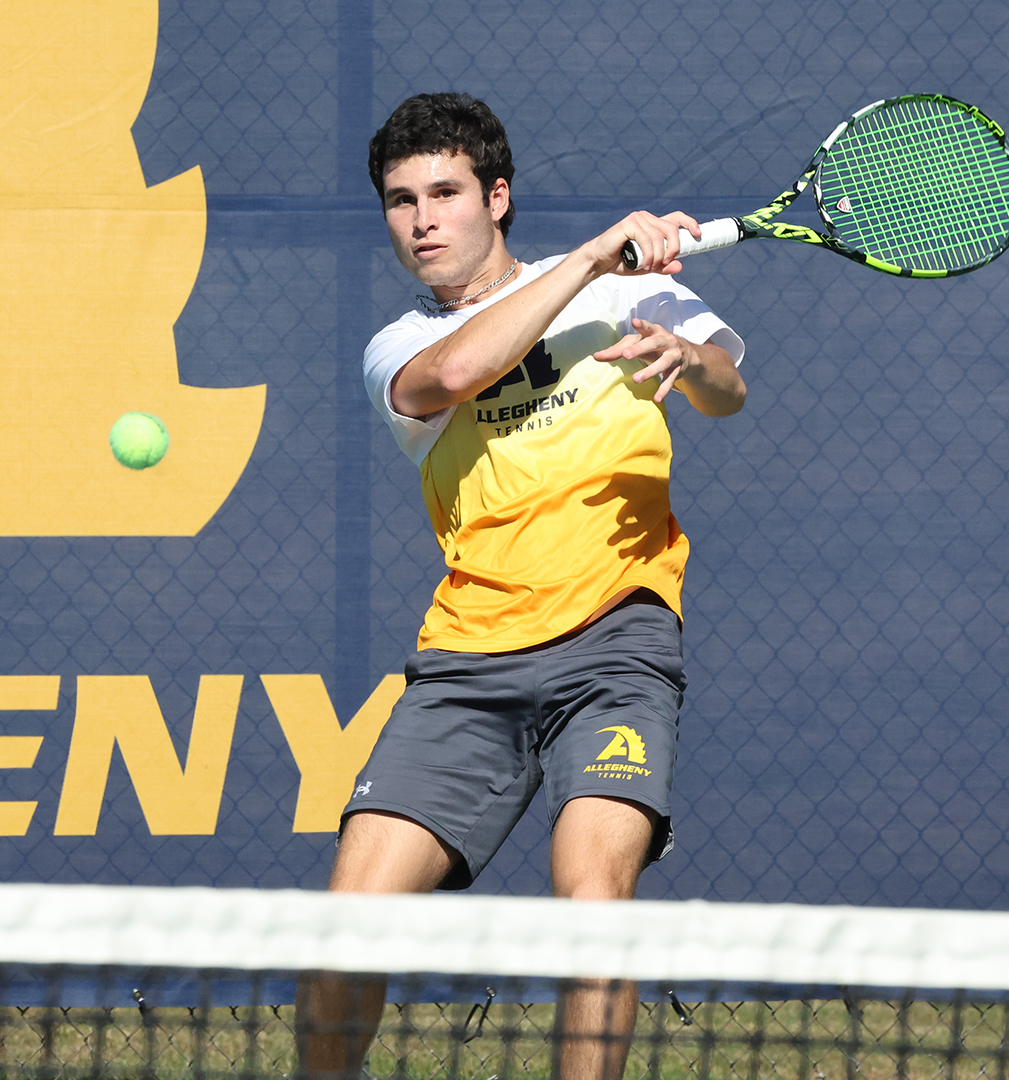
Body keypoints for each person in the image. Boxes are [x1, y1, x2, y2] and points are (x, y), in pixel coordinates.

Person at [295, 92, 747, 1080]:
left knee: (594, 909)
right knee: (342, 932)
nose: (422, 219)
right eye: (400, 200)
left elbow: (727, 387)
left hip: (616, 647)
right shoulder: (396, 346)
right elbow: (454, 373)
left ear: (496, 197)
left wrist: (688, 354)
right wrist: (590, 259)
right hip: (467, 662)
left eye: (445, 192)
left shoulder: (631, 292)